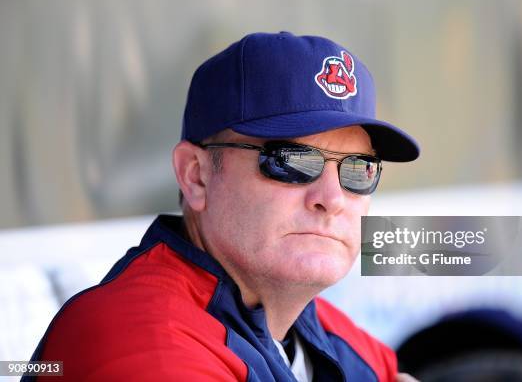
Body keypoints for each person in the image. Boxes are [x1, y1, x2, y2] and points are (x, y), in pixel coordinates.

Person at [26, 32, 420, 381]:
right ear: (195, 175)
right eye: (290, 161)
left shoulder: (321, 331)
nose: (332, 199)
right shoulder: (143, 340)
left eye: (359, 169)